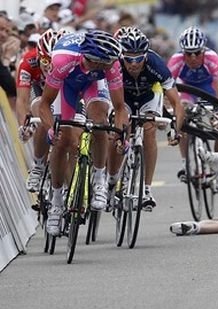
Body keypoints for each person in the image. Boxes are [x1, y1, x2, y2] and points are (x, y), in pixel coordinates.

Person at [39, 30, 129, 236]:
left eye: (107, 65)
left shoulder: (111, 63)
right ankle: (57, 201)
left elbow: (120, 107)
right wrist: (51, 128)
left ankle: (99, 180)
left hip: (92, 85)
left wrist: (122, 133)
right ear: (89, 57)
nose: (107, 67)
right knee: (63, 139)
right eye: (102, 64)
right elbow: (44, 104)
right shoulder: (62, 60)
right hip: (67, 84)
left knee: (100, 121)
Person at [116, 26, 185, 210]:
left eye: (138, 58)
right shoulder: (115, 64)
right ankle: (112, 179)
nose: (133, 64)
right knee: (120, 130)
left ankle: (147, 189)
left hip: (149, 96)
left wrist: (176, 130)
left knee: (149, 131)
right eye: (128, 58)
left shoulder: (156, 64)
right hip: (124, 98)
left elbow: (177, 104)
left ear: (145, 55)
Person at [168, 26, 218, 191]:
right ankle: (186, 163)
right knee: (181, 118)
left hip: (208, 90)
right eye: (188, 53)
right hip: (187, 90)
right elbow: (167, 89)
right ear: (183, 53)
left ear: (203, 50)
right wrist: (171, 110)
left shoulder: (212, 58)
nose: (193, 57)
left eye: (197, 52)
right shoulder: (176, 60)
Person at [15, 29, 64, 193]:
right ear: (38, 55)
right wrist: (24, 125)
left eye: (54, 61)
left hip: (63, 91)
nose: (49, 65)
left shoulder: (71, 62)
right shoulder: (28, 62)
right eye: (44, 60)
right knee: (42, 117)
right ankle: (38, 166)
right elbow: (21, 100)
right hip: (40, 91)